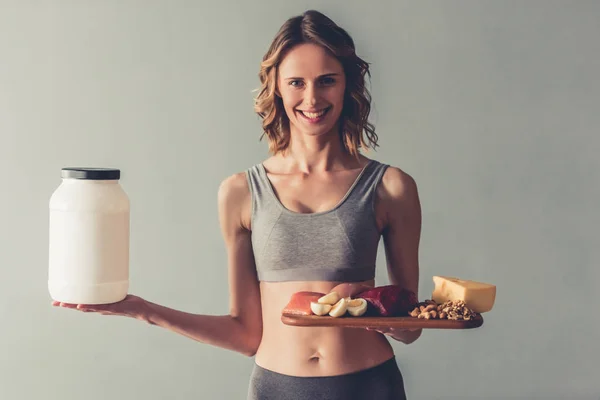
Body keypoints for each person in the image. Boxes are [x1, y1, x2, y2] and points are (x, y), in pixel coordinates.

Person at [52, 9, 422, 400]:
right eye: (296, 82)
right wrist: (143, 309)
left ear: (347, 85)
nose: (312, 98)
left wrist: (365, 305)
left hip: (368, 385)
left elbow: (410, 328)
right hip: (277, 387)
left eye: (326, 81)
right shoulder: (240, 192)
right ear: (276, 87)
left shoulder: (391, 187)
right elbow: (247, 334)